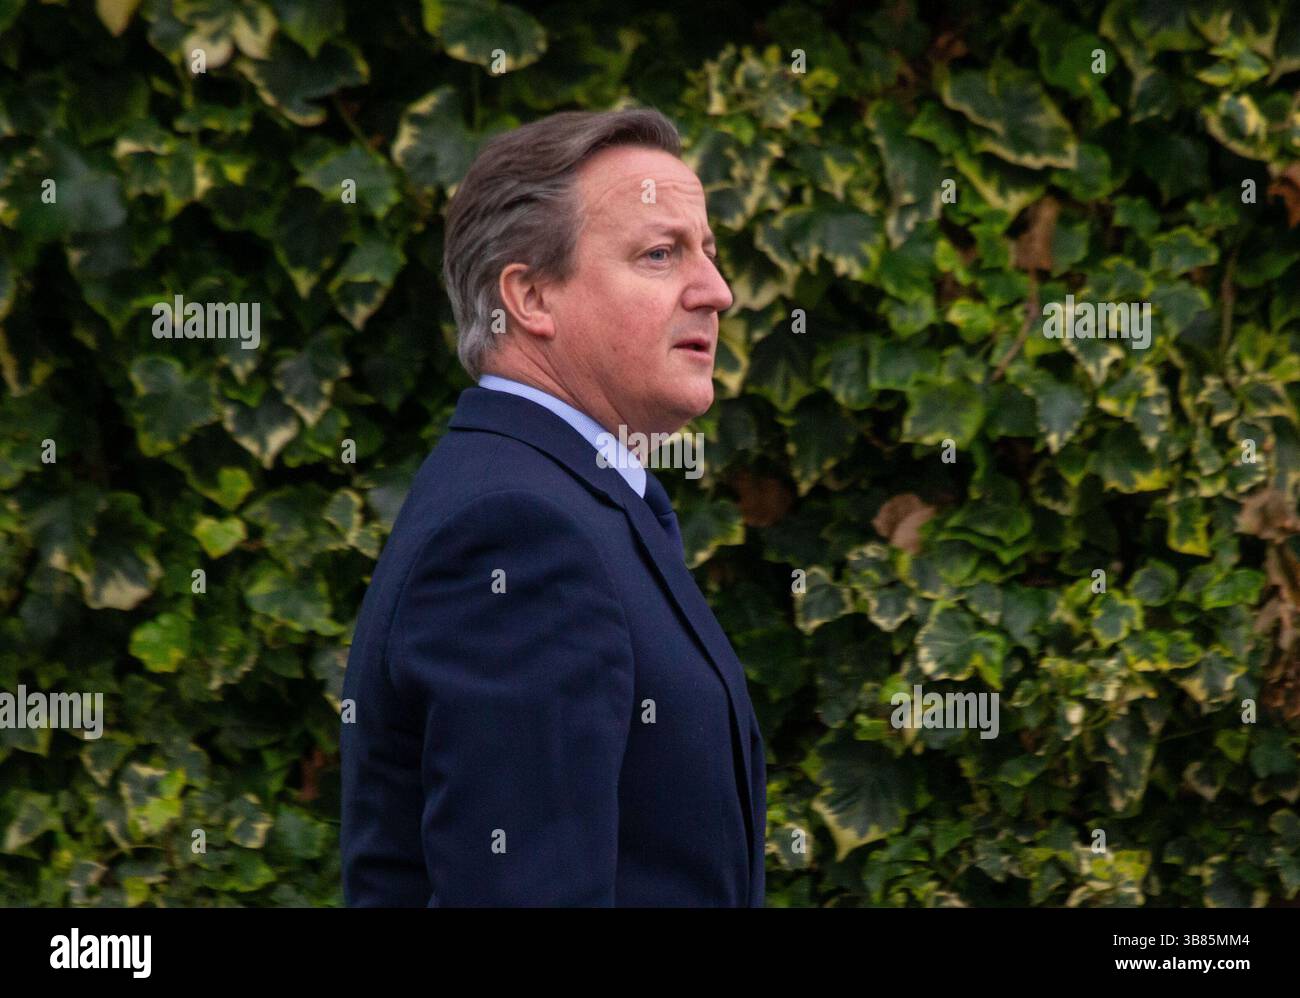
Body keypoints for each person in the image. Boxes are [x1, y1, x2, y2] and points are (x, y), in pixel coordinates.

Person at [340, 107, 766, 906]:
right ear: (530, 296)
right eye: (661, 254)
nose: (717, 291)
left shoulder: (570, 499)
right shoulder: (518, 532)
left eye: (707, 252)